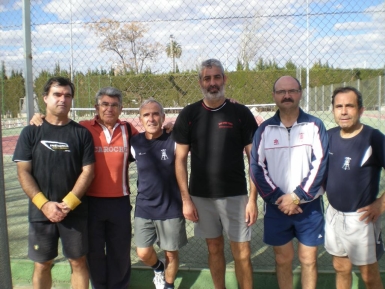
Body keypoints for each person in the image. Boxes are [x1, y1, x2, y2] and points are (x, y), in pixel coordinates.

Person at [173, 58, 258, 289]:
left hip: (237, 196)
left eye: (217, 77)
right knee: (214, 248)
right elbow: (179, 160)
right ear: (200, 81)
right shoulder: (189, 114)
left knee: (242, 252)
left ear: (224, 79)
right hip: (202, 197)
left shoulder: (241, 113)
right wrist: (186, 199)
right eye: (207, 78)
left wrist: (252, 200)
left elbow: (254, 160)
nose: (212, 83)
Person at [13, 77, 95, 289]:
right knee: (42, 264)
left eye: (67, 95)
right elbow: (23, 171)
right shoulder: (31, 131)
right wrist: (45, 204)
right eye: (57, 94)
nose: (63, 99)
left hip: (74, 212)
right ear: (45, 98)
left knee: (78, 262)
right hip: (41, 212)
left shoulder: (81, 133)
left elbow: (88, 171)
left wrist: (68, 203)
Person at [250, 75, 329, 289]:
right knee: (282, 260)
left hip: (309, 206)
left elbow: (320, 163)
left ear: (300, 93)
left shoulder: (315, 125)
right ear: (274, 96)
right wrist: (279, 199)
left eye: (292, 91)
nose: (287, 95)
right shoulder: (264, 130)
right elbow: (256, 167)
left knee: (309, 260)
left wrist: (297, 197)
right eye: (281, 92)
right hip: (277, 208)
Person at [324, 86, 385, 289]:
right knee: (341, 268)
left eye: (349, 106)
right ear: (332, 110)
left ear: (360, 110)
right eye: (338, 106)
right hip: (333, 215)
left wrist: (381, 204)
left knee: (369, 276)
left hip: (360, 218)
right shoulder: (329, 136)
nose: (343, 111)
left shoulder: (373, 138)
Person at [131, 98, 187, 289]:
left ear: (163, 117)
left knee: (171, 253)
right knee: (143, 253)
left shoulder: (174, 139)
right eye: (146, 115)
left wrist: (176, 125)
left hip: (170, 206)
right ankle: (157, 267)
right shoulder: (135, 142)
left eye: (156, 114)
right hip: (144, 207)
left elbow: (194, 122)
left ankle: (168, 285)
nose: (151, 118)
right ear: (140, 119)